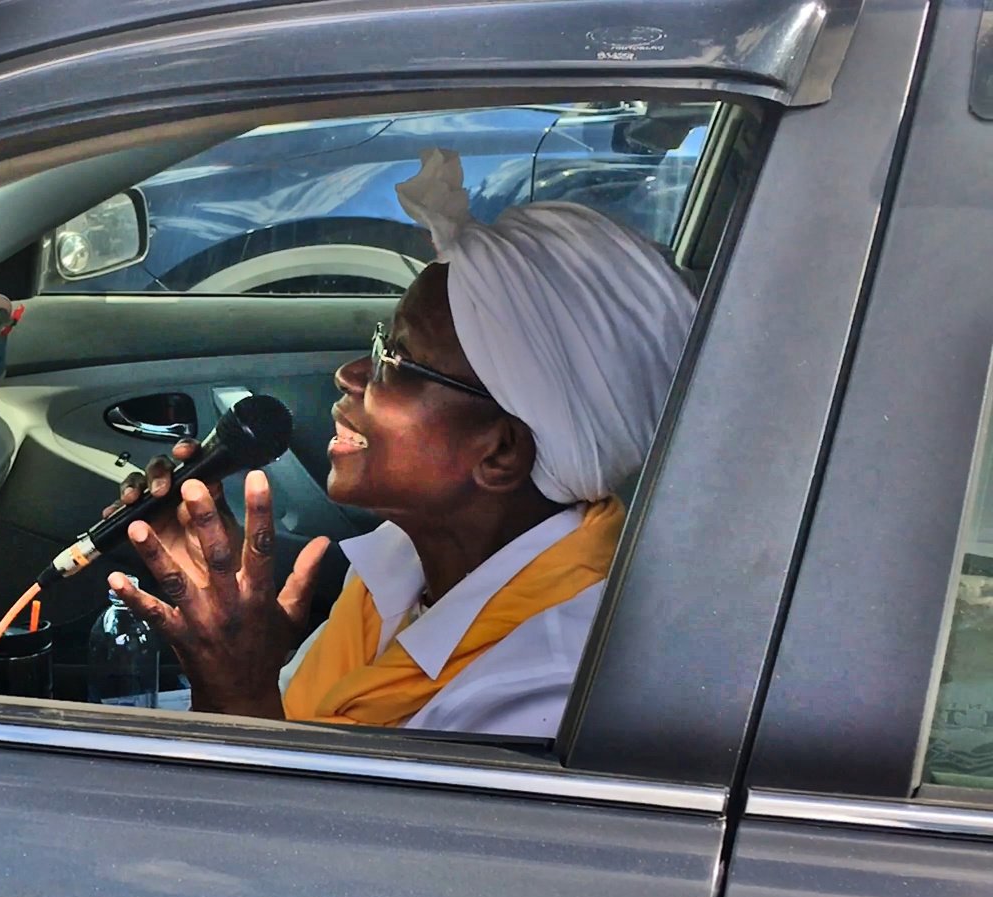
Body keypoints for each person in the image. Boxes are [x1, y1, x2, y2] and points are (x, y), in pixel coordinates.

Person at [104, 148, 696, 736]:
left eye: (399, 362)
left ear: (501, 452)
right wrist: (237, 639)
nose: (352, 374)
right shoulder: (404, 564)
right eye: (383, 340)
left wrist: (238, 687)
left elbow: (303, 829)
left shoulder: (549, 687)